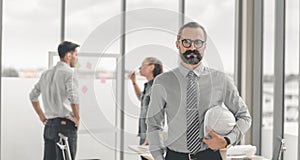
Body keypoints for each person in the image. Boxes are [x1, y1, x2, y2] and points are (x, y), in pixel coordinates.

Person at [146, 22, 252, 160]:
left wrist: (227, 140)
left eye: (198, 43)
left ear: (204, 46)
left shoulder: (221, 80)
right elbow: (154, 124)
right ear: (177, 44)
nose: (192, 47)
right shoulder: (162, 82)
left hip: (210, 156)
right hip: (175, 156)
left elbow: (244, 117)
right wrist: (159, 157)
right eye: (186, 42)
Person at [29, 41, 80, 160]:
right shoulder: (69, 74)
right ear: (68, 56)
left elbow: (33, 96)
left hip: (49, 127)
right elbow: (74, 97)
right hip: (65, 126)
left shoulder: (46, 74)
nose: (77, 58)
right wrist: (77, 118)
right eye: (76, 55)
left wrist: (42, 116)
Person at [129, 57, 163, 160]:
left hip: (151, 135)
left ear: (151, 67)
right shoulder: (149, 86)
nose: (140, 68)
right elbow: (142, 98)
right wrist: (134, 82)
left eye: (143, 65)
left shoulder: (157, 87)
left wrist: (151, 135)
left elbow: (157, 114)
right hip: (145, 134)